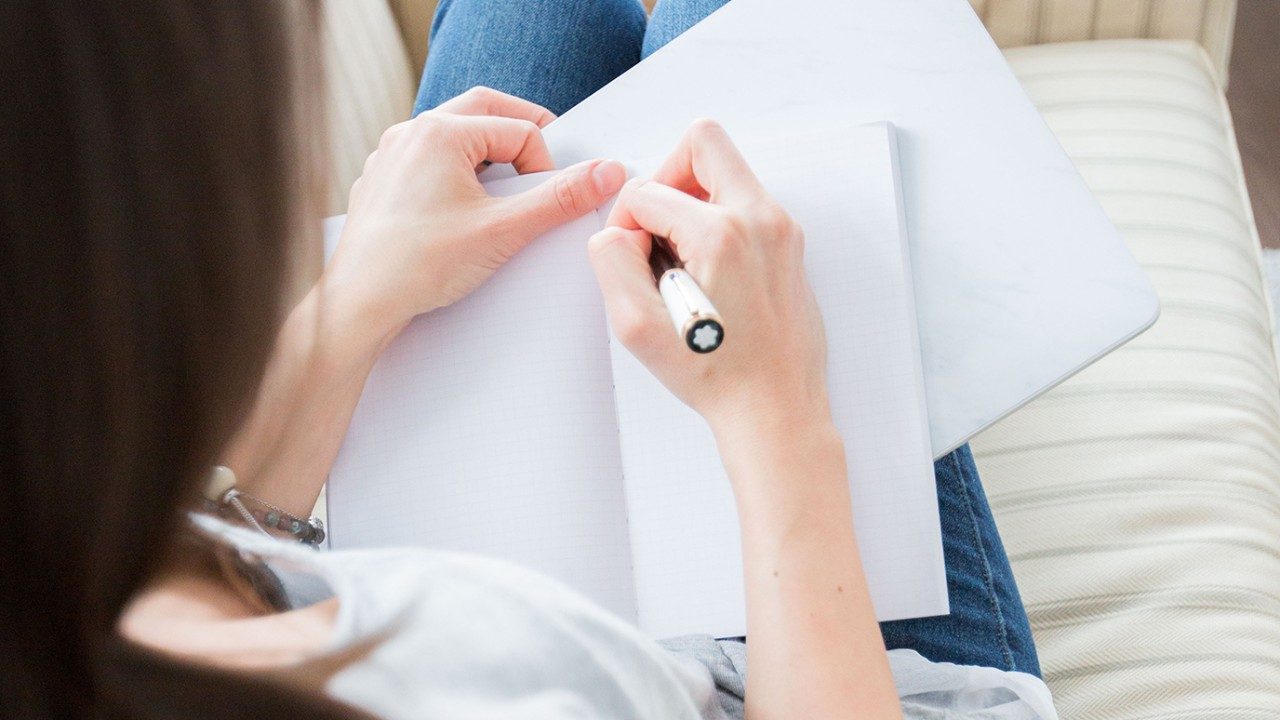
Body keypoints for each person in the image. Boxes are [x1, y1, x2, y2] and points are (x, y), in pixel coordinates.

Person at [0, 1, 1056, 718]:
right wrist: (779, 417)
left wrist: (357, 299)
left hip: (495, 556)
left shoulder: (57, 585)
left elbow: (206, 556)